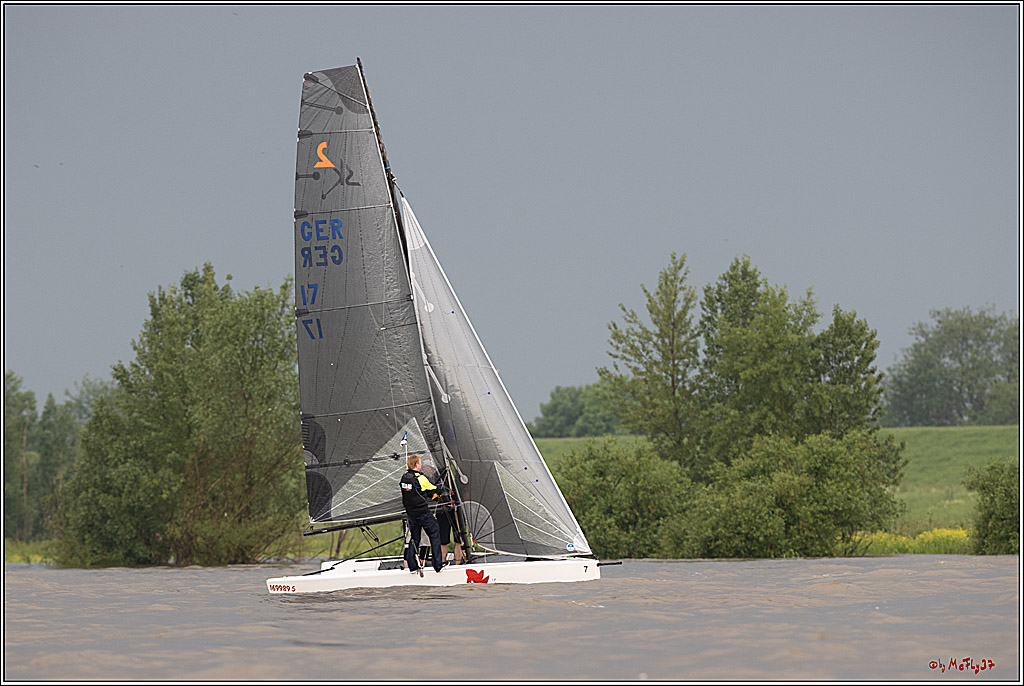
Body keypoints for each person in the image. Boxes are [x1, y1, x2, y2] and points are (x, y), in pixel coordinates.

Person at [400, 454, 445, 574]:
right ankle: (438, 565)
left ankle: (413, 567)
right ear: (416, 465)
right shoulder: (420, 478)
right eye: (420, 463)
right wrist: (439, 491)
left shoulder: (404, 478)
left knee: (414, 540)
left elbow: (418, 492)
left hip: (412, 515)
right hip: (423, 514)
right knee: (434, 534)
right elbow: (433, 488)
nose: (421, 465)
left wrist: (432, 495)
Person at [421, 464, 465, 565]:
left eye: (427, 468)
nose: (425, 470)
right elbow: (431, 496)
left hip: (456, 508)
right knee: (442, 540)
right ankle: (442, 562)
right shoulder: (431, 479)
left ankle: (457, 563)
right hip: (442, 509)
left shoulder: (451, 472)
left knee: (459, 539)